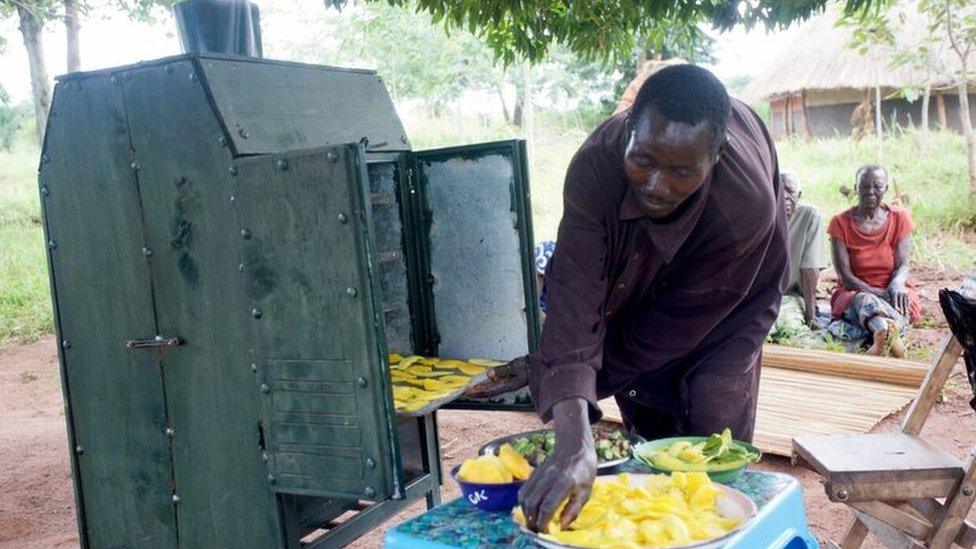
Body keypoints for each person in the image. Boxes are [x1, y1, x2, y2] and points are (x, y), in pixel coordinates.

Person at [466, 64, 788, 532]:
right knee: (643, 408)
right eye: (644, 160)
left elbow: (670, 329)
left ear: (715, 158)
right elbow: (574, 292)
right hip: (643, 284)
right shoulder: (596, 164)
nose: (657, 186)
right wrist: (574, 428)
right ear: (628, 132)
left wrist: (557, 380)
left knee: (711, 426)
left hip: (732, 303)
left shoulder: (743, 208)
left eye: (681, 171)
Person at [828, 165, 918, 357]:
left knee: (900, 300)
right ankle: (887, 335)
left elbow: (903, 264)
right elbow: (845, 276)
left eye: (877, 186)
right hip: (856, 291)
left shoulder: (898, 217)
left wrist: (896, 284)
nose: (870, 191)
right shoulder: (840, 223)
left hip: (890, 289)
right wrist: (876, 293)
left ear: (885, 188)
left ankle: (881, 339)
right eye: (864, 186)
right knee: (864, 300)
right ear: (856, 188)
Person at [772, 173, 825, 333]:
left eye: (791, 192)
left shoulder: (808, 216)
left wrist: (811, 316)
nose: (785, 197)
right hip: (760, 294)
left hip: (790, 295)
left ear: (799, 196)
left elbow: (810, 269)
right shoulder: (760, 213)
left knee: (788, 327)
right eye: (780, 191)